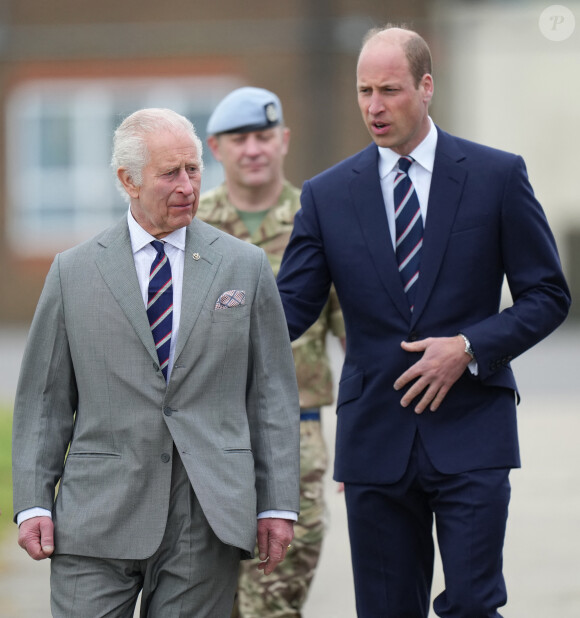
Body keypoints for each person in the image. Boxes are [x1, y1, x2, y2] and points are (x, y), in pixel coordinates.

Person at [276, 25, 571, 618]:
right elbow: (287, 311)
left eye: (389, 89)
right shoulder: (327, 195)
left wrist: (467, 346)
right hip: (375, 439)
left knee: (473, 606)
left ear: (427, 85)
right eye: (364, 91)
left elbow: (547, 295)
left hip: (472, 430)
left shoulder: (497, 176)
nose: (374, 107)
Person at [12, 107, 301, 618]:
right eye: (171, 173)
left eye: (193, 169)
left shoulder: (245, 266)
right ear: (128, 180)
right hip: (95, 515)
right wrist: (33, 501)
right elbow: (44, 399)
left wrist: (277, 504)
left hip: (205, 515)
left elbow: (271, 394)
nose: (188, 185)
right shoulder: (72, 272)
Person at [199, 86, 346, 618]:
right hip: (204, 438)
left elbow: (359, 340)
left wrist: (364, 438)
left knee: (276, 600)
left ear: (284, 140)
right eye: (239, 139)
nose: (254, 149)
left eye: (264, 136)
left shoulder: (322, 217)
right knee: (206, 600)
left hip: (296, 438)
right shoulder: (190, 224)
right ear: (215, 148)